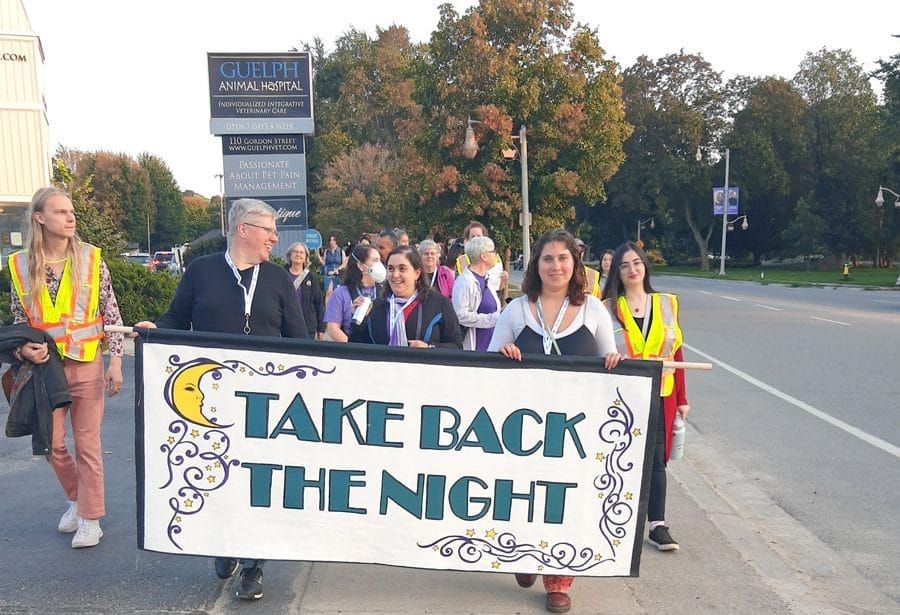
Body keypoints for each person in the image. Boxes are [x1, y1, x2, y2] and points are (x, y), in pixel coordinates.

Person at [135, 198, 309, 601]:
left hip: (264, 403)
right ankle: (223, 543)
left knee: (256, 482)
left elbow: (299, 338)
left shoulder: (278, 279)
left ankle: (253, 564)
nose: (275, 239)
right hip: (210, 399)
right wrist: (153, 330)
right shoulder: (201, 271)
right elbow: (176, 319)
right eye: (269, 231)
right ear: (243, 230)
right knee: (218, 475)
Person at [488, 229, 620, 614]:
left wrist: (615, 363)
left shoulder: (594, 310)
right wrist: (503, 352)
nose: (556, 266)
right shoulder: (516, 310)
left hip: (575, 430)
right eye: (548, 258)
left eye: (564, 258)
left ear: (575, 265)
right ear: (537, 265)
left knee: (565, 499)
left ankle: (559, 579)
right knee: (525, 494)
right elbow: (487, 363)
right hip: (522, 429)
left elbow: (612, 364)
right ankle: (524, 555)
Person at [8, 186, 125, 549]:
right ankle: (77, 498)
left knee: (88, 445)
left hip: (87, 363)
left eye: (71, 211)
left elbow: (111, 311)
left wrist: (116, 360)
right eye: (60, 212)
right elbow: (19, 321)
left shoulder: (90, 258)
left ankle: (90, 519)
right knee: (51, 444)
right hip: (46, 370)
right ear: (39, 218)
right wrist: (22, 349)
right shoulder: (20, 265)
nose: (70, 217)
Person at [601, 241, 688, 553]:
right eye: (624, 265)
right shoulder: (607, 308)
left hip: (661, 393)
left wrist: (682, 398)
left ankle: (657, 525)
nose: (632, 270)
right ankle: (617, 520)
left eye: (636, 263)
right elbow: (599, 350)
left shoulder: (666, 304)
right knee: (620, 456)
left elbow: (677, 353)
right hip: (622, 396)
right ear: (617, 272)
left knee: (656, 460)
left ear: (645, 266)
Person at [351, 246, 462, 349]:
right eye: (391, 269)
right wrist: (358, 323)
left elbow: (456, 347)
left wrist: (429, 348)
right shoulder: (377, 306)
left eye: (402, 269)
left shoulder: (439, 304)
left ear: (417, 273)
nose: (395, 275)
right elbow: (358, 350)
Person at [323, 244, 385, 343]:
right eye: (375, 261)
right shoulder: (341, 293)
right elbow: (333, 328)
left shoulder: (383, 292)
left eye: (379, 261)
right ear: (360, 265)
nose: (379, 265)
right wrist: (353, 346)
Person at [452, 236, 501, 351]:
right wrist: (491, 319)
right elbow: (461, 315)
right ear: (483, 256)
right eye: (493, 251)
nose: (495, 255)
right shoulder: (464, 282)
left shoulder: (487, 279)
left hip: (491, 345)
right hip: (474, 347)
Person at [285, 242, 325, 340]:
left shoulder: (311, 278)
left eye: (301, 252)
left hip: (307, 327)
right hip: (286, 326)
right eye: (295, 252)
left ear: (306, 257)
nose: (298, 254)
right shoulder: (282, 275)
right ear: (290, 255)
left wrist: (321, 328)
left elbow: (318, 303)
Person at [318, 235, 346, 303]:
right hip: (328, 272)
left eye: (333, 240)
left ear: (336, 241)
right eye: (330, 240)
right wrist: (318, 255)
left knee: (337, 293)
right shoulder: (327, 251)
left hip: (337, 273)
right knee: (329, 292)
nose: (332, 242)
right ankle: (327, 308)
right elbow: (324, 263)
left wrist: (337, 270)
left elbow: (344, 264)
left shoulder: (341, 251)